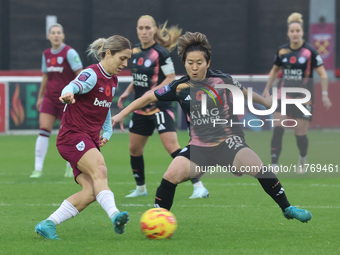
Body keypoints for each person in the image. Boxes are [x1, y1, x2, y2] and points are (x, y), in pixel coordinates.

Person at [112, 31, 312, 223]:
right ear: (185, 64)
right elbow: (148, 96)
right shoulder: (179, 87)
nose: (195, 67)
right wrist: (121, 113)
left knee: (260, 169)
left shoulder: (222, 80)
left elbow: (245, 92)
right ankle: (157, 219)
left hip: (229, 142)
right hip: (199, 147)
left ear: (208, 62)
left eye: (199, 62)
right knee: (170, 176)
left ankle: (287, 208)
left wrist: (266, 103)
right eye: (190, 63)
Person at [34, 35, 132, 240]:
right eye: (122, 58)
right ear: (108, 54)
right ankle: (115, 216)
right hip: (72, 136)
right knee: (100, 169)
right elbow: (73, 86)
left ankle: (47, 223)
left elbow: (105, 106)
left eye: (127, 59)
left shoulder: (113, 79)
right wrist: (67, 93)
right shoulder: (92, 74)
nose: (125, 64)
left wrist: (107, 131)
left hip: (88, 139)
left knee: (91, 192)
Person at [118, 15, 209, 199]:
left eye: (147, 28)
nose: (144, 31)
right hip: (141, 108)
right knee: (134, 150)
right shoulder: (134, 51)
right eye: (140, 28)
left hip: (160, 107)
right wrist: (127, 91)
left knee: (172, 148)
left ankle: (199, 186)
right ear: (137, 30)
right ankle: (141, 188)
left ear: (154, 30)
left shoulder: (161, 53)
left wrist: (152, 93)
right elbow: (137, 78)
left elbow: (170, 78)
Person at [263, 12, 332, 173]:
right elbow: (274, 71)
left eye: (297, 31)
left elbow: (322, 73)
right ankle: (274, 164)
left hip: (303, 98)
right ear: (288, 33)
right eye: (292, 31)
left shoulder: (310, 52)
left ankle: (302, 157)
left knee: (300, 134)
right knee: (278, 128)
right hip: (283, 95)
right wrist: (267, 89)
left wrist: (324, 94)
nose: (295, 33)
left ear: (302, 33)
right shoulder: (281, 51)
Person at [30, 23, 83, 178]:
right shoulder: (46, 54)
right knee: (43, 130)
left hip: (66, 99)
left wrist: (76, 94)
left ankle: (70, 166)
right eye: (53, 33)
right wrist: (40, 96)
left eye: (59, 32)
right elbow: (46, 76)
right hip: (50, 98)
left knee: (67, 133)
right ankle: (37, 169)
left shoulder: (69, 52)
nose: (56, 35)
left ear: (63, 35)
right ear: (48, 36)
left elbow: (80, 74)